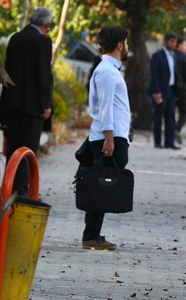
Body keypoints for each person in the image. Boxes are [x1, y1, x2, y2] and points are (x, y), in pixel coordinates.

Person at [82, 25, 131, 250]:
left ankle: (94, 233)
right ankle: (90, 235)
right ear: (120, 45)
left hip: (113, 135)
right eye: (127, 43)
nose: (127, 47)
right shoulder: (106, 72)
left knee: (103, 184)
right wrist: (109, 139)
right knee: (100, 185)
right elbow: (105, 109)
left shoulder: (110, 70)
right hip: (108, 137)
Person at [0, 7, 54, 195]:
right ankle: (21, 189)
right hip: (33, 106)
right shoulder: (43, 42)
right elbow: (43, 75)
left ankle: (9, 186)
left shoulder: (16, 38)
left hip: (12, 103)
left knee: (13, 148)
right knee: (28, 148)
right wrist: (46, 104)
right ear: (47, 24)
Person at [147, 32, 180, 149]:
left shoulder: (174, 56)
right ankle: (157, 142)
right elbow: (154, 75)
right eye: (171, 41)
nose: (173, 44)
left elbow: (174, 74)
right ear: (165, 42)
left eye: (175, 42)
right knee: (158, 116)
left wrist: (176, 92)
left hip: (171, 90)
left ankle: (169, 142)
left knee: (170, 117)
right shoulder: (157, 55)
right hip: (160, 90)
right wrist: (156, 91)